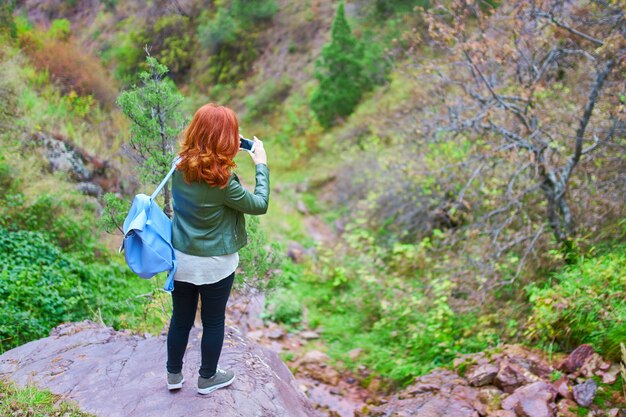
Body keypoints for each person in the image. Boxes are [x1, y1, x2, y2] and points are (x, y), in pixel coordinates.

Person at [165, 103, 269, 395]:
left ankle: (173, 375)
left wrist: (221, 147)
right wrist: (260, 163)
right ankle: (207, 378)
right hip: (215, 264)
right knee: (213, 321)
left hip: (181, 259)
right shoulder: (224, 182)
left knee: (181, 319)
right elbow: (260, 205)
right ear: (224, 140)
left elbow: (201, 165)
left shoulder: (179, 165)